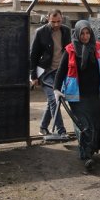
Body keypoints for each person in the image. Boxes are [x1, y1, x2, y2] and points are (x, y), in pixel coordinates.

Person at [54, 20, 100, 170]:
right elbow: (61, 71)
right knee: (85, 125)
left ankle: (90, 151)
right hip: (77, 96)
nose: (85, 36)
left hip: (94, 94)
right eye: (82, 33)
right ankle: (87, 156)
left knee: (95, 124)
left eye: (87, 32)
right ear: (76, 33)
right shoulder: (70, 50)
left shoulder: (97, 48)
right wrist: (56, 89)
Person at [30, 9, 72, 138]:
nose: (56, 24)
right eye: (53, 22)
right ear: (48, 19)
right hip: (45, 72)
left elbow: (69, 51)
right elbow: (33, 55)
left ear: (62, 18)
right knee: (54, 99)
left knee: (51, 101)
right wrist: (33, 76)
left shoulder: (66, 31)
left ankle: (43, 127)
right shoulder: (40, 32)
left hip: (60, 72)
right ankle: (61, 131)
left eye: (58, 21)